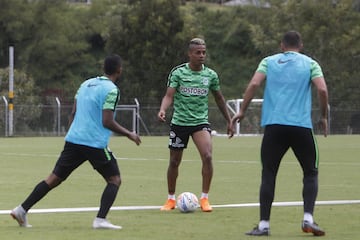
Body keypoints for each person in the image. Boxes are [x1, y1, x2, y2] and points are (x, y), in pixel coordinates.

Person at [10, 54, 141, 229]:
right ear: (119, 70)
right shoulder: (112, 89)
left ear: (104, 68)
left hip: (74, 139)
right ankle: (100, 220)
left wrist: (75, 133)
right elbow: (107, 121)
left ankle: (21, 209)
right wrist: (129, 134)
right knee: (114, 179)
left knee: (53, 179)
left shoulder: (85, 84)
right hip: (94, 142)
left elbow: (73, 113)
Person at [231, 31, 328, 236]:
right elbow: (322, 90)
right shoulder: (311, 63)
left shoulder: (268, 61)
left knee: (269, 174)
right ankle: (308, 218)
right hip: (301, 126)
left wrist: (242, 111)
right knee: (310, 172)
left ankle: (264, 225)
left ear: (281, 45)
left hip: (274, 126)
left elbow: (255, 84)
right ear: (300, 45)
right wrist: (324, 116)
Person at [158, 37, 234, 212]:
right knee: (174, 162)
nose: (201, 55)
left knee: (207, 156)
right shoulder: (178, 73)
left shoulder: (210, 75)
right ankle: (170, 199)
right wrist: (163, 109)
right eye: (198, 52)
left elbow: (219, 98)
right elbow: (169, 95)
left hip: (200, 123)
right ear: (190, 54)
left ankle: (205, 199)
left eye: (204, 52)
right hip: (179, 123)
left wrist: (229, 120)